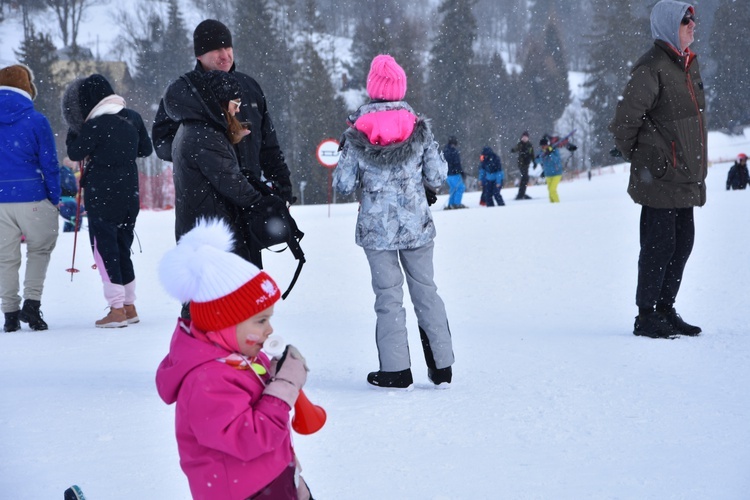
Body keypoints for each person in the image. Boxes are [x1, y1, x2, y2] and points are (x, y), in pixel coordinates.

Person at [156, 218, 312, 500]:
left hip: (272, 479)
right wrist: (284, 386)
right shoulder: (206, 380)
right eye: (260, 320)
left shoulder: (240, 358)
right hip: (243, 491)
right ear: (224, 324)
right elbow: (249, 438)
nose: (270, 329)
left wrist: (274, 376)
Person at [334, 54, 455, 390]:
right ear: (401, 88)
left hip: (376, 230)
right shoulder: (418, 128)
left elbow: (343, 185)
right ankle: (441, 366)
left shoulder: (357, 132)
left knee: (388, 297)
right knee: (426, 292)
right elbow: (437, 174)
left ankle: (396, 370)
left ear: (373, 90)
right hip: (416, 226)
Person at [152, 19, 294, 267]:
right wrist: (201, 154)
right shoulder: (185, 94)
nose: (224, 54)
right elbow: (162, 142)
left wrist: (282, 189)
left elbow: (269, 145)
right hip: (204, 203)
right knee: (206, 281)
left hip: (248, 199)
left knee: (246, 279)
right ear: (199, 54)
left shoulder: (248, 87)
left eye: (228, 47)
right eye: (216, 49)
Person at [609, 0, 706, 339]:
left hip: (685, 175)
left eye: (693, 18)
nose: (693, 24)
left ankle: (666, 308)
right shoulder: (652, 67)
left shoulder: (688, 65)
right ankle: (646, 314)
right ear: (668, 25)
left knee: (683, 243)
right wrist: (645, 157)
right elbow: (624, 122)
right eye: (686, 20)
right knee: (659, 245)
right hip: (660, 176)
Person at [63, 74, 153, 328]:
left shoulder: (95, 124)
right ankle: (129, 305)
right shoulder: (132, 116)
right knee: (123, 247)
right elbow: (145, 150)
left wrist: (74, 129)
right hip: (129, 192)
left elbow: (74, 152)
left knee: (105, 249)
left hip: (102, 193)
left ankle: (116, 309)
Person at [162, 69, 262, 262]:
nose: (238, 109)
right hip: (214, 238)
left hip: (199, 232)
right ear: (222, 103)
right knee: (229, 290)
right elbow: (233, 183)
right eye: (236, 103)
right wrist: (263, 203)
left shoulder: (190, 128)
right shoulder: (204, 136)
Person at [0, 64, 60, 332]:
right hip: (33, 198)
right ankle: (32, 306)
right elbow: (49, 163)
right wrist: (54, 197)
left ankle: (10, 314)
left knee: (5, 258)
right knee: (39, 250)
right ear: (27, 87)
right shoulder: (36, 120)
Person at [510, 130, 537, 200]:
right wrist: (513, 150)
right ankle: (521, 193)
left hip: (527, 163)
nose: (524, 139)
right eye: (523, 137)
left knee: (525, 178)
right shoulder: (520, 144)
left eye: (526, 137)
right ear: (521, 138)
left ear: (528, 138)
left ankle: (522, 192)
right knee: (525, 177)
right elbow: (516, 148)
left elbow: (532, 154)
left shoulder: (530, 145)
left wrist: (534, 162)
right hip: (521, 164)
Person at [442, 136, 466, 209]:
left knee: (453, 188)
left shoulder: (444, 151)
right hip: (454, 173)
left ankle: (450, 204)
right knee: (460, 187)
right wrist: (461, 172)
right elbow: (456, 163)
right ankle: (456, 204)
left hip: (446, 174)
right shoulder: (453, 151)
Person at [538, 136, 564, 203]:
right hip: (548, 174)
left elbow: (557, 160)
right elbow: (539, 161)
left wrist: (550, 153)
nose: (543, 147)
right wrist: (544, 154)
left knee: (552, 189)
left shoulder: (554, 150)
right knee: (549, 190)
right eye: (542, 146)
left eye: (544, 145)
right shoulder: (541, 152)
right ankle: (552, 205)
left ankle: (557, 204)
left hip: (557, 173)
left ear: (547, 144)